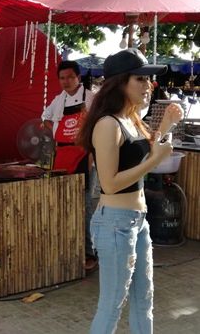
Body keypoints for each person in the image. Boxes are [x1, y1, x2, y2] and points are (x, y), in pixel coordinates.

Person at [78, 48, 183, 333]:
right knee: (112, 305)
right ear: (120, 82)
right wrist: (153, 161)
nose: (149, 85)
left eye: (148, 79)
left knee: (144, 299)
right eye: (140, 79)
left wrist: (166, 125)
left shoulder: (132, 118)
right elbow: (110, 183)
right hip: (115, 223)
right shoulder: (107, 124)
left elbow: (148, 153)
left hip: (138, 222)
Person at [42, 60, 96, 270]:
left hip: (84, 155)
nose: (66, 81)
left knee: (85, 205)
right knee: (64, 202)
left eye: (70, 77)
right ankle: (68, 248)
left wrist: (92, 155)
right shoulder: (59, 100)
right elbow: (45, 118)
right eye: (62, 78)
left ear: (78, 78)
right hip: (62, 155)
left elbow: (99, 127)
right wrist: (56, 131)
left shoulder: (90, 98)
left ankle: (89, 252)